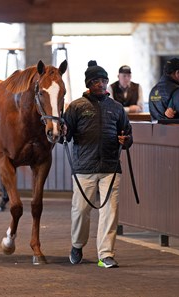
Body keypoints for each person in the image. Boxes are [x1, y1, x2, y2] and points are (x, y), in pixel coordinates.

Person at [63, 60, 133, 268]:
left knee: (110, 212)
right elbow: (64, 138)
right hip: (84, 168)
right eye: (96, 81)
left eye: (104, 80)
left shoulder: (117, 108)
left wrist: (126, 141)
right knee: (81, 211)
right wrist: (63, 133)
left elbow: (128, 135)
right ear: (88, 84)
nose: (101, 84)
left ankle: (106, 254)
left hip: (111, 168)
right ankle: (77, 245)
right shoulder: (76, 107)